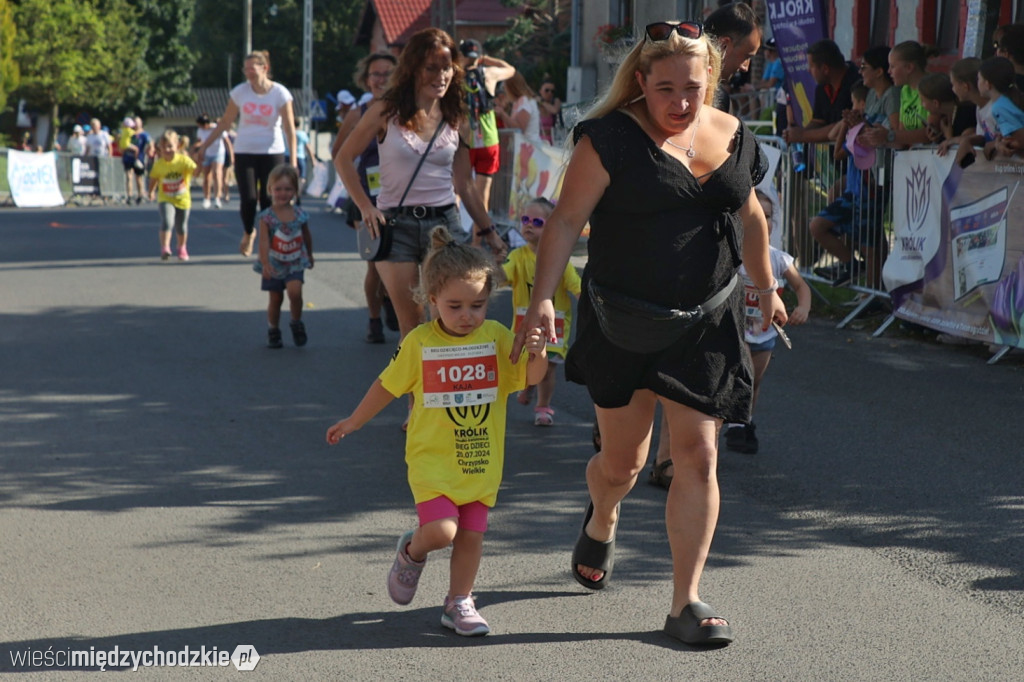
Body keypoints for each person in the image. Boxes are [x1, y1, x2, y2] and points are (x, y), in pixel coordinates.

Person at [510, 20, 786, 646]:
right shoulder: (607, 139)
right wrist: (541, 303)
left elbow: (748, 216)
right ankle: (603, 515)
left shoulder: (733, 135)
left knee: (698, 454)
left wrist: (765, 286)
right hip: (624, 323)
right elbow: (564, 223)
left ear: (710, 80)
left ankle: (685, 601)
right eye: (664, 88)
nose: (679, 103)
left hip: (705, 323)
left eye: (691, 88)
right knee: (622, 463)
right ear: (640, 82)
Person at [325, 226, 548, 637]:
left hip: (481, 460)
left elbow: (529, 378)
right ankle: (412, 551)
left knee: (472, 537)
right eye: (455, 305)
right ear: (431, 301)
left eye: (478, 305)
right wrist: (354, 421)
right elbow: (387, 385)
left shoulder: (497, 339)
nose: (468, 316)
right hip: (432, 461)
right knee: (444, 531)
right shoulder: (420, 343)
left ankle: (459, 602)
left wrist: (538, 351)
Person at [336, 28, 509, 354]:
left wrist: (489, 231)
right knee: (412, 329)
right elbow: (343, 158)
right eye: (432, 67)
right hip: (394, 225)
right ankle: (416, 406)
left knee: (447, 324)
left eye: (447, 67)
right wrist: (365, 207)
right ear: (414, 67)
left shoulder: (457, 115)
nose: (441, 76)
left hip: (443, 224)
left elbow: (465, 185)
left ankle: (443, 403)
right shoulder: (385, 110)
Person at [722, 189, 810, 454]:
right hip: (736, 329)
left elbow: (801, 286)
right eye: (757, 215)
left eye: (769, 216)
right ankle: (734, 424)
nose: (764, 222)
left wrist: (803, 307)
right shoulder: (731, 254)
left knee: (754, 382)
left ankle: (746, 420)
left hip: (765, 332)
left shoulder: (777, 258)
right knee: (744, 371)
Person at [197, 50, 297, 257]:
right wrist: (205, 146)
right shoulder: (240, 92)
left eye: (252, 68)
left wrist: (293, 162)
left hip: (272, 151)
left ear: (265, 68)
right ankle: (249, 232)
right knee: (249, 198)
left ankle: (268, 238)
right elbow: (225, 122)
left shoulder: (280, 93)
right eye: (245, 69)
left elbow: (289, 129)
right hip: (245, 150)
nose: (248, 72)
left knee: (269, 198)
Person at [332, 52, 400, 345]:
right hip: (368, 199)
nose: (380, 79)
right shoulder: (357, 114)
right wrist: (356, 195)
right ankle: (374, 320)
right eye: (375, 74)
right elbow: (338, 153)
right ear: (366, 78)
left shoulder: (408, 112)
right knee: (375, 263)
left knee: (405, 261)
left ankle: (392, 302)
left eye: (387, 74)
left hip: (403, 198)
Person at [501, 197, 581, 426]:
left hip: (554, 326)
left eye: (537, 221)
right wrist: (489, 274)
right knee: (527, 362)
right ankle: (527, 385)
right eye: (525, 219)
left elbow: (576, 286)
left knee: (548, 369)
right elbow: (504, 275)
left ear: (551, 225)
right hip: (523, 324)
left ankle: (543, 406)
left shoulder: (561, 261)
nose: (528, 225)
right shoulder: (517, 257)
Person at [809, 84, 887, 288]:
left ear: (863, 103)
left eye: (854, 103)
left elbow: (838, 153)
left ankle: (873, 291)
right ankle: (850, 264)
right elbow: (837, 148)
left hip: (867, 192)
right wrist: (845, 124)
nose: (852, 107)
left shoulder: (871, 126)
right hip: (853, 192)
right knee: (818, 226)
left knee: (869, 245)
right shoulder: (857, 127)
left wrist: (854, 125)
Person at [457, 37, 516, 243]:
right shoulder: (489, 73)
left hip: (463, 140)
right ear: (478, 56)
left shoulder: (452, 76)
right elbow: (510, 69)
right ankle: (477, 244)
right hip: (489, 139)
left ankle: (450, 238)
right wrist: (487, 59)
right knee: (482, 197)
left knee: (455, 192)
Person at [253, 164, 314, 349]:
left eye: (288, 189)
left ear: (295, 191)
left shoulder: (300, 215)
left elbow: (306, 235)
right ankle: (273, 329)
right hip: (274, 263)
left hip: (295, 261)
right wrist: (265, 263)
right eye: (278, 189)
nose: (282, 193)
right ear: (270, 190)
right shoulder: (267, 217)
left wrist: (310, 255)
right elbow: (263, 241)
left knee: (295, 293)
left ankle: (296, 321)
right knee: (276, 299)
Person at [782, 39, 859, 146]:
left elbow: (842, 126)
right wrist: (797, 132)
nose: (808, 71)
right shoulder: (822, 88)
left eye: (811, 66)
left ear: (825, 69)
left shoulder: (857, 85)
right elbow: (818, 121)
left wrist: (803, 135)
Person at [861, 41, 934, 149]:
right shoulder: (905, 90)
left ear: (909, 67)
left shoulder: (932, 88)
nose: (889, 71)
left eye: (892, 66)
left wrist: (889, 135)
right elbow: (901, 138)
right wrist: (876, 137)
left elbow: (930, 134)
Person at [147, 130, 197, 262]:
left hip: (183, 199)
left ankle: (182, 247)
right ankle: (165, 248)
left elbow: (195, 170)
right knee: (168, 221)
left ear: (177, 146)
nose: (167, 150)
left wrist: (199, 161)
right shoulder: (159, 164)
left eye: (170, 146)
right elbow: (154, 179)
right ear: (160, 149)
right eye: (164, 147)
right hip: (166, 198)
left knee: (181, 226)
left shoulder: (183, 160)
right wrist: (151, 191)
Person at [704, 2, 762, 113]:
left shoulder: (721, 99)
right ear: (723, 45)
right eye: (746, 56)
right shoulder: (687, 96)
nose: (745, 67)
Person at [937, 58, 995, 166]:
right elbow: (982, 137)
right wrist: (955, 140)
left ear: (965, 86)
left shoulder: (995, 108)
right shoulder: (979, 108)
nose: (953, 90)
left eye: (953, 85)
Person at [977, 57, 1024, 159]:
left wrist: (999, 145)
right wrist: (999, 142)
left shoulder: (998, 108)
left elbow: (1020, 140)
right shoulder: (1006, 102)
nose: (977, 82)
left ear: (987, 84)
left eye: (979, 79)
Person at [194, 113, 233, 209]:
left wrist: (231, 155)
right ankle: (206, 198)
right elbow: (200, 141)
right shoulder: (200, 131)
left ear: (206, 124)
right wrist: (196, 148)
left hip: (218, 153)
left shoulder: (217, 128)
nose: (201, 127)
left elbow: (227, 141)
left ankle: (217, 198)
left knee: (217, 174)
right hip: (206, 154)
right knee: (206, 176)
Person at [494, 72, 541, 141]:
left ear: (511, 88)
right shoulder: (518, 102)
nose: (505, 92)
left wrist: (503, 115)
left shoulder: (525, 102)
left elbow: (519, 129)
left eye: (505, 88)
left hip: (529, 145)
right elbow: (510, 127)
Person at [537, 80, 562, 144]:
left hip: (553, 140)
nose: (549, 93)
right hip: (538, 140)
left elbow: (555, 110)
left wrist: (541, 101)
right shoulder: (535, 105)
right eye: (547, 90)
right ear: (540, 91)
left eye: (552, 91)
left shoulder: (556, 101)